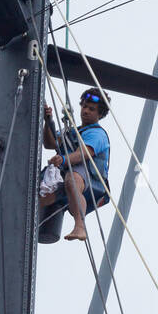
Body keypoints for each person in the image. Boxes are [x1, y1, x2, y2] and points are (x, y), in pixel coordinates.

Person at [40, 88, 111, 241]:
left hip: (91, 181)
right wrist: (48, 121)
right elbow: (49, 143)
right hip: (68, 180)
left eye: (91, 109)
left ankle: (80, 227)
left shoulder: (97, 133)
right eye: (84, 107)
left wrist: (64, 160)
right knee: (40, 197)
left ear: (100, 114)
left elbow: (84, 154)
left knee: (73, 178)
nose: (85, 111)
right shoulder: (71, 131)